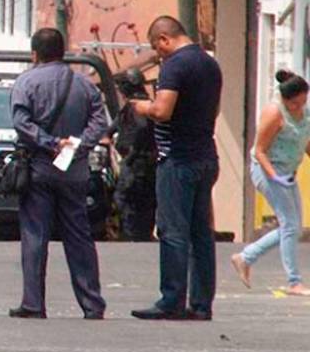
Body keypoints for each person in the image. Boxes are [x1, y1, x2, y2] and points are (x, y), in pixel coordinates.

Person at [8, 28, 109, 319]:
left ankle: (33, 303)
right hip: (74, 170)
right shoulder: (85, 84)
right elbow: (99, 121)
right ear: (63, 52)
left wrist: (50, 143)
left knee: (35, 235)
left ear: (34, 54)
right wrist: (76, 147)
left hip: (38, 167)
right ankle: (92, 304)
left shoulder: (25, 82)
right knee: (79, 236)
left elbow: (21, 122)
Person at [129, 16, 222, 321]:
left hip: (178, 158)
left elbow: (162, 110)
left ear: (165, 39)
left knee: (173, 231)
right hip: (206, 155)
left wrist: (141, 106)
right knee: (202, 233)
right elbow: (214, 109)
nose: (159, 55)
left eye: (158, 48)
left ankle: (171, 300)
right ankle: (201, 303)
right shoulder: (210, 65)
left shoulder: (175, 66)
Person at [231, 70, 310, 295]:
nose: (298, 107)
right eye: (294, 103)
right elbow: (260, 151)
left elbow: (304, 141)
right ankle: (294, 281)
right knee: (290, 225)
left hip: (287, 172)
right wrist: (274, 177)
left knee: (293, 227)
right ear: (285, 100)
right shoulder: (274, 113)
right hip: (267, 171)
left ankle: (245, 258)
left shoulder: (305, 114)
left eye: (303, 102)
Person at [108, 67, 158, 241]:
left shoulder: (138, 107)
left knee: (125, 201)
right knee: (145, 204)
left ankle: (133, 239)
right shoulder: (143, 105)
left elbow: (141, 128)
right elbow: (111, 129)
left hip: (136, 165)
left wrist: (131, 151)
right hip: (147, 165)